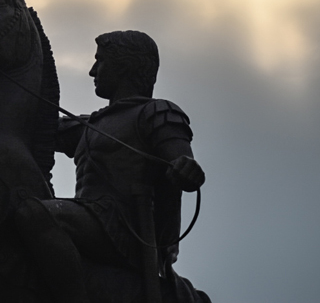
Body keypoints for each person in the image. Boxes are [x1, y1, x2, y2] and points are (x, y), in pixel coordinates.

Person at [15, 30, 206, 303]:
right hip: (92, 221)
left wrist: (186, 169)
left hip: (128, 230)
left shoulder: (158, 112)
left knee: (38, 214)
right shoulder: (88, 126)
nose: (93, 71)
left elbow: (182, 161)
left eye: (100, 61)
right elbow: (32, 124)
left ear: (125, 65)